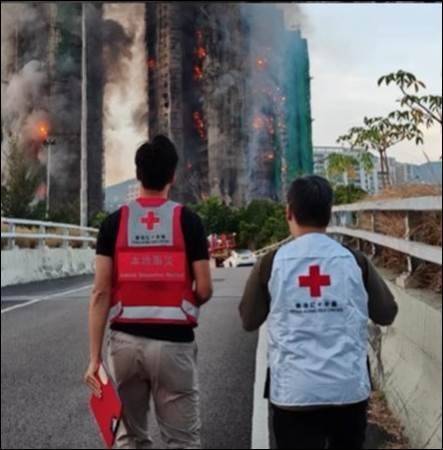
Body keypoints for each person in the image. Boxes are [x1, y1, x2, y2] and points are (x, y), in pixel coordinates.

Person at [239, 175, 398, 449]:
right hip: (348, 392)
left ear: (289, 212)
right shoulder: (355, 261)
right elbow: (386, 313)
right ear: (328, 214)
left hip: (293, 395)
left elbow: (249, 319)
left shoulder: (272, 262)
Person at [84, 135, 213, 449]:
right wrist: (182, 303)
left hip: (125, 347)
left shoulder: (114, 224)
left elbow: (100, 293)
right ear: (173, 175)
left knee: (131, 439)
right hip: (174, 346)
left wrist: (94, 358)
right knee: (182, 441)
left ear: (137, 174)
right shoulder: (189, 221)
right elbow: (205, 288)